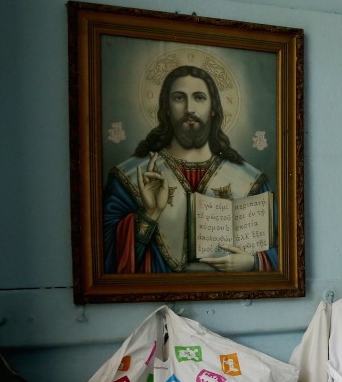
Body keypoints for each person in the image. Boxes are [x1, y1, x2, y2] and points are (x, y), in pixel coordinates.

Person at [103, 64, 277, 274]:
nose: (189, 109)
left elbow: (284, 251)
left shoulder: (251, 181)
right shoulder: (131, 176)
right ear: (166, 108)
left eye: (199, 97)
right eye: (179, 98)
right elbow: (107, 259)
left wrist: (253, 262)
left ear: (213, 109)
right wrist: (149, 214)